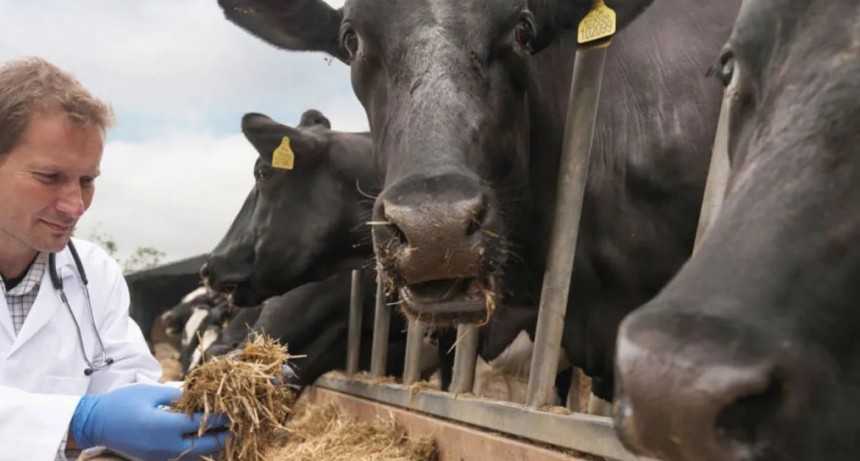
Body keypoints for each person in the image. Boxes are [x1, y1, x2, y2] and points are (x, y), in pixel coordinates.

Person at [0, 57, 229, 461]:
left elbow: (130, 392)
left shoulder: (93, 273)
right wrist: (80, 420)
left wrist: (215, 391)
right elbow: (99, 420)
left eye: (87, 181)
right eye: (50, 178)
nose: (75, 205)